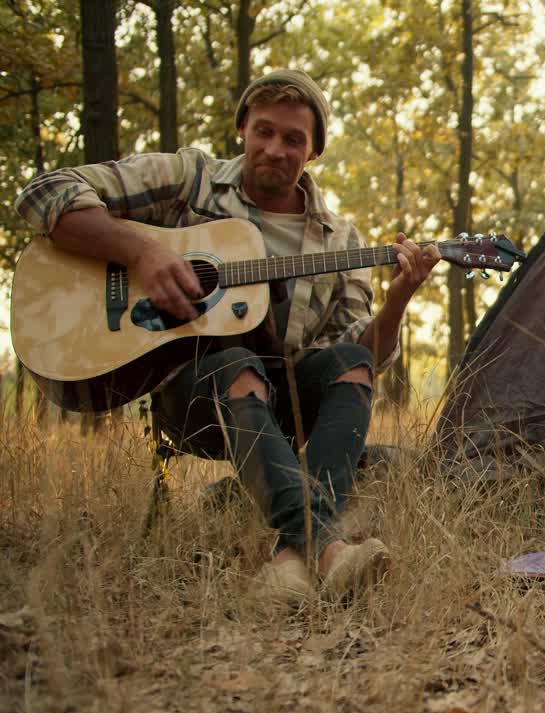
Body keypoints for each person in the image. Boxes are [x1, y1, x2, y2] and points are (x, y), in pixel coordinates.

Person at [16, 70, 440, 609]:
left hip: (280, 411)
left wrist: (400, 296)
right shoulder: (190, 179)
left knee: (351, 361)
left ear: (313, 153)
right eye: (264, 130)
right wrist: (141, 254)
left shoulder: (342, 241)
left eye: (293, 139)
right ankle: (328, 549)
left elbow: (361, 359)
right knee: (235, 357)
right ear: (242, 128)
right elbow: (45, 193)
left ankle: (291, 563)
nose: (275, 148)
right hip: (192, 401)